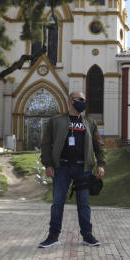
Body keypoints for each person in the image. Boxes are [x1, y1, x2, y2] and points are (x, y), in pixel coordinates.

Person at [38, 90, 106, 248]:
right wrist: (48, 164)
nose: (83, 102)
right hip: (62, 167)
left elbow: (99, 145)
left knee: (84, 203)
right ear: (70, 101)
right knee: (57, 202)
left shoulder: (90, 123)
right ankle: (53, 236)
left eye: (84, 100)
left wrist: (101, 164)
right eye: (80, 99)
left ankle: (87, 235)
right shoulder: (56, 121)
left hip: (83, 168)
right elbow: (46, 144)